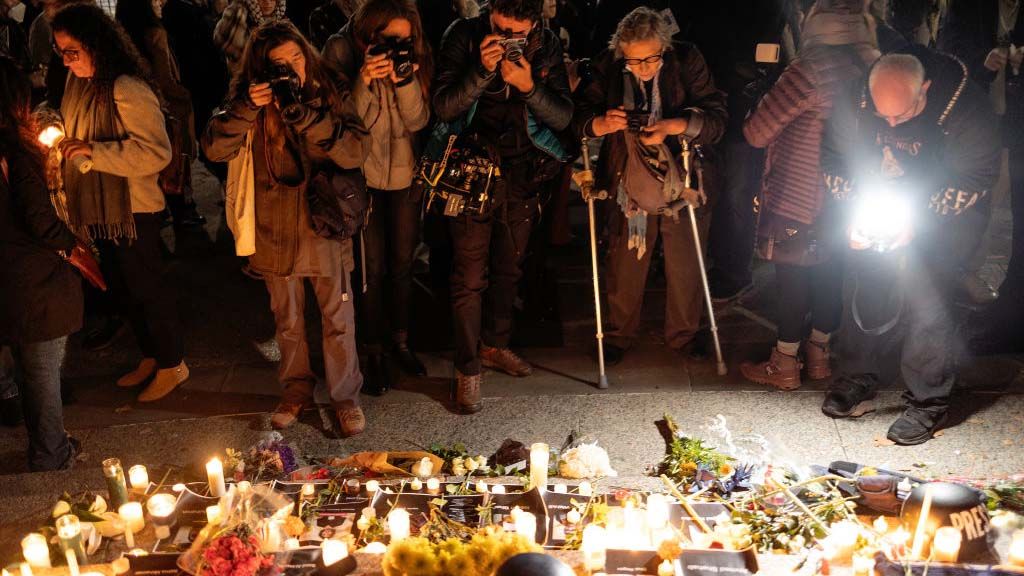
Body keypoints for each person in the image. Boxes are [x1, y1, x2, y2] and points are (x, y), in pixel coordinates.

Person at [822, 51, 999, 444]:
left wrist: (916, 224)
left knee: (930, 300)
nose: (890, 124)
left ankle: (928, 399)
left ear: (926, 91)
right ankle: (858, 373)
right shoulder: (854, 100)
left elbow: (974, 180)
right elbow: (834, 161)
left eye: (900, 117)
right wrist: (854, 213)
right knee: (867, 288)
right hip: (878, 200)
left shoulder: (967, 108)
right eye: (882, 118)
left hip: (947, 213)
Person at [203, 21, 370, 435]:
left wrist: (309, 117)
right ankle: (296, 390)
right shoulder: (248, 99)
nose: (291, 70)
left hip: (325, 223)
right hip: (273, 228)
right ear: (262, 70)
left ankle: (345, 396)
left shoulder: (329, 89)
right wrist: (247, 107)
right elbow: (213, 147)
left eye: (296, 58)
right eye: (279, 65)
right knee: (288, 320)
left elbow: (354, 151)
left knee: (338, 317)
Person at [432, 0, 573, 413]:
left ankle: (495, 344)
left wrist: (530, 87)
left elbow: (564, 117)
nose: (513, 38)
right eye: (502, 28)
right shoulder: (462, 34)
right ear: (489, 13)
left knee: (510, 267)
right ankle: (468, 367)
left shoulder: (545, 44)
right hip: (470, 171)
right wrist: (479, 71)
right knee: (469, 274)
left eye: (520, 31)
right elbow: (443, 107)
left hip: (523, 172)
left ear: (535, 23)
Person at [574, 6, 727, 365]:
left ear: (665, 47)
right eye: (634, 62)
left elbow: (717, 118)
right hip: (629, 178)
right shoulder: (608, 66)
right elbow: (578, 115)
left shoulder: (687, 59)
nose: (642, 68)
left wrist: (674, 126)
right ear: (620, 54)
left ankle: (683, 334)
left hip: (684, 176)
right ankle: (618, 333)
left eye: (651, 59)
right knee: (627, 259)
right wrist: (600, 123)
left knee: (685, 259)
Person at [739, 0, 880, 390]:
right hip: (848, 195)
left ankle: (784, 363)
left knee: (793, 276)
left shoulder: (808, 70)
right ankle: (819, 355)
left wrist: (761, 94)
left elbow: (757, 131)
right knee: (831, 273)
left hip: (800, 192)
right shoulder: (872, 64)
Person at [53, 3, 189, 401]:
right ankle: (151, 355)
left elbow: (156, 153)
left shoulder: (126, 88)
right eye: (61, 51)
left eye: (72, 51)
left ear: (95, 45)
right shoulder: (78, 84)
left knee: (148, 288)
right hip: (101, 210)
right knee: (126, 290)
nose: (66, 60)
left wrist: (94, 152)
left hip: (133, 209)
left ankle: (172, 363)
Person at [323, 0, 431, 395]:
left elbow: (418, 120)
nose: (398, 46)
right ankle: (372, 349)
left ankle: (400, 340)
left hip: (403, 173)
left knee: (402, 262)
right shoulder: (341, 50)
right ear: (370, 33)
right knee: (370, 269)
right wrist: (365, 79)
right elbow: (349, 122)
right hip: (362, 176)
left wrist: (404, 82)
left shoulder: (411, 59)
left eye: (405, 40)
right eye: (390, 39)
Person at [0, 55, 81, 470]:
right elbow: (39, 218)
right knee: (42, 370)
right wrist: (72, 245)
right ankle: (51, 452)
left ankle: (42, 435)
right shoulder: (14, 149)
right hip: (31, 280)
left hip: (9, 279)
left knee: (24, 364)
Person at [939, 0, 1024, 354]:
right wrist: (983, 60)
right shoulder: (967, 5)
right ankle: (958, 273)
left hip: (1017, 118)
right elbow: (950, 46)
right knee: (971, 199)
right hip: (978, 114)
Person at [116, 0, 204, 229]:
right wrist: (184, 95)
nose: (160, 3)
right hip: (167, 104)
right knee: (177, 157)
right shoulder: (155, 33)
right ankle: (184, 210)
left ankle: (161, 209)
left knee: (153, 159)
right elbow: (165, 76)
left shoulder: (119, 35)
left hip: (140, 104)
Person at [214, 0, 287, 76]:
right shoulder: (241, 17)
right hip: (245, 80)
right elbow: (225, 41)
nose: (267, 2)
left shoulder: (282, 24)